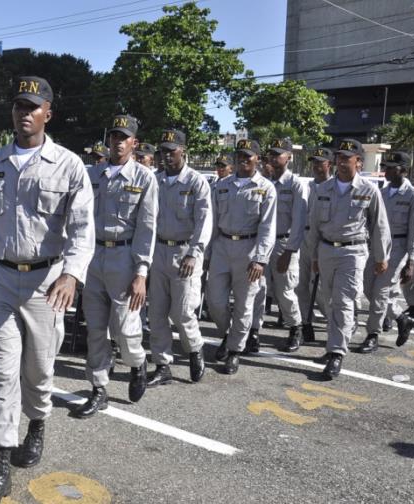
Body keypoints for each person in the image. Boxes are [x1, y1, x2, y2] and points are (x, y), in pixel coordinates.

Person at [0, 76, 94, 503]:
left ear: (47, 114)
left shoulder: (69, 164)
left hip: (45, 283)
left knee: (38, 372)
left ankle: (37, 422)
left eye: (33, 106)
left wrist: (72, 274)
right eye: (19, 105)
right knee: (2, 374)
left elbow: (81, 229)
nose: (24, 112)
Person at [73, 112, 155, 417]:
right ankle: (99, 389)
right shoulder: (93, 175)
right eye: (114, 136)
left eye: (124, 137)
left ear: (134, 142)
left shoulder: (144, 178)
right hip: (93, 256)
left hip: (124, 257)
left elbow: (147, 228)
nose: (118, 142)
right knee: (94, 328)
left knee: (124, 328)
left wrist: (141, 273)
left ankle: (137, 363)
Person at [305, 138, 390, 379]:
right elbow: (313, 226)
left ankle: (336, 353)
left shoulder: (368, 190)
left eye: (347, 159)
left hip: (353, 252)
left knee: (342, 301)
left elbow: (379, 226)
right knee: (331, 302)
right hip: (325, 251)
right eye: (339, 158)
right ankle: (336, 342)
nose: (341, 163)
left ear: (359, 162)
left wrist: (381, 257)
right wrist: (313, 256)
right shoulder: (323, 189)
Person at [146, 129, 211, 387]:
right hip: (159, 252)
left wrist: (195, 254)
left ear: (183, 150)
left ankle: (195, 349)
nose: (166, 156)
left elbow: (204, 222)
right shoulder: (156, 180)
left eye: (172, 151)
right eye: (163, 151)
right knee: (158, 312)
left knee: (182, 311)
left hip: (185, 253)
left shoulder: (196, 182)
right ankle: (163, 365)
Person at [207, 139, 277, 375]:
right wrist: (206, 254)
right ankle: (229, 334)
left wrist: (260, 258)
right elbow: (212, 223)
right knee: (215, 301)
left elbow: (267, 227)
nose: (244, 159)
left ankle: (235, 350)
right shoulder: (222, 186)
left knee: (245, 305)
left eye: (249, 156)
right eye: (240, 155)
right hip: (222, 246)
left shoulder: (266, 188)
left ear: (258, 159)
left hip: (249, 249)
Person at [358, 151, 414, 353]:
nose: (386, 171)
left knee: (381, 292)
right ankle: (402, 318)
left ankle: (372, 335)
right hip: (377, 246)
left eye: (391, 167)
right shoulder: (381, 193)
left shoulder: (413, 196)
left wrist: (411, 261)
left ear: (404, 170)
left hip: (399, 248)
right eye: (385, 167)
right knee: (368, 287)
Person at [252, 138, 308, 353]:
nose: (274, 158)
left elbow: (299, 222)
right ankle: (254, 331)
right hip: (261, 243)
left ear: (289, 157)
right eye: (272, 154)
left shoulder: (295, 185)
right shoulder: (263, 183)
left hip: (284, 242)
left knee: (284, 291)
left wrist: (290, 251)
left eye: (279, 154)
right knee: (257, 289)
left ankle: (296, 328)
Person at [290, 147, 333, 350]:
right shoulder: (306, 186)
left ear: (329, 164)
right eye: (314, 162)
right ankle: (306, 323)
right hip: (306, 238)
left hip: (325, 242)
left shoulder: (335, 187)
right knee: (301, 286)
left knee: (322, 290)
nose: (316, 166)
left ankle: (336, 321)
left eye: (320, 162)